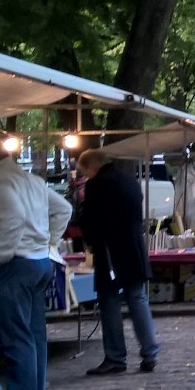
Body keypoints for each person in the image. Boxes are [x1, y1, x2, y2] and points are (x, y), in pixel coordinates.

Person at [0, 137, 71, 390]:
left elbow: (13, 218)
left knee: (16, 335)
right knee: (35, 333)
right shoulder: (32, 180)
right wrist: (49, 241)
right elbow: (64, 209)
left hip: (17, 264)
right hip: (40, 262)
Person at [74, 149, 161, 375]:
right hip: (134, 248)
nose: (85, 175)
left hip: (110, 252)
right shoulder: (129, 180)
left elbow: (90, 220)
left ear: (91, 166)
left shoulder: (97, 185)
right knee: (138, 298)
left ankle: (115, 356)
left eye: (84, 171)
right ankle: (150, 351)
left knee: (109, 302)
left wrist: (89, 241)